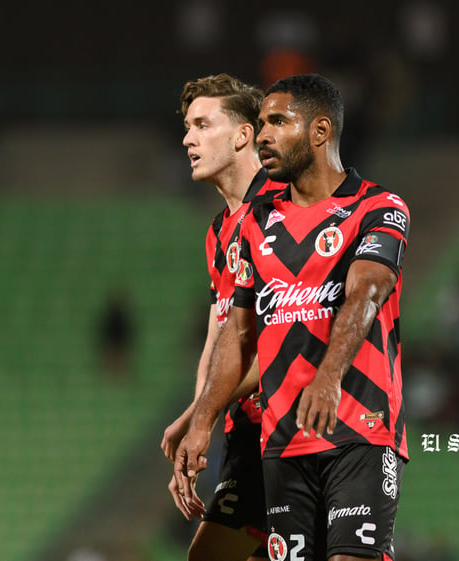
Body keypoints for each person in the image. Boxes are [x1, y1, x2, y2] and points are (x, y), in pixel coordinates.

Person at [174, 73, 410, 561]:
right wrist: (201, 421)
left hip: (359, 426)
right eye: (262, 123)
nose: (264, 135)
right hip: (280, 441)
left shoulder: (377, 205)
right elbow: (235, 335)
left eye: (276, 122)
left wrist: (328, 376)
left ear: (319, 131)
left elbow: (366, 291)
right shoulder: (250, 226)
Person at [160, 73, 285, 561]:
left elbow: (282, 337)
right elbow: (219, 338)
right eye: (187, 128)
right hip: (246, 429)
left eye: (202, 125)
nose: (188, 138)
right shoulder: (220, 232)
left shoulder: (280, 212)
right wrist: (199, 422)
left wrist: (199, 418)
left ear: (242, 135)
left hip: (291, 427)